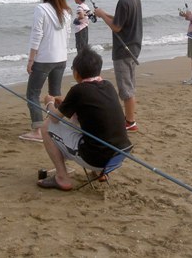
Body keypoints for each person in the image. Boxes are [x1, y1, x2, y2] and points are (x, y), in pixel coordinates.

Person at [37, 46, 132, 191]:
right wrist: (66, 104)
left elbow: (54, 119)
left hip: (96, 158)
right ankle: (99, 173)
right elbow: (91, 111)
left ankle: (62, 177)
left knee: (46, 127)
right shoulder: (108, 85)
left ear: (77, 73)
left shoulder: (78, 90)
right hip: (119, 154)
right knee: (87, 123)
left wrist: (49, 102)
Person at [21, 0, 71, 143]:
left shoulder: (41, 9)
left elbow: (37, 36)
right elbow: (68, 36)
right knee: (55, 93)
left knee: (32, 94)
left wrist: (30, 60)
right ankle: (58, 127)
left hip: (44, 59)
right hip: (61, 57)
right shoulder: (66, 12)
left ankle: (37, 130)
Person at [94, 0, 143, 132]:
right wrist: (105, 14)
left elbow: (116, 27)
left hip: (124, 50)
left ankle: (130, 122)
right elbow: (122, 21)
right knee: (129, 85)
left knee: (126, 89)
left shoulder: (124, 1)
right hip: (133, 48)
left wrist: (101, 15)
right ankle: (130, 119)